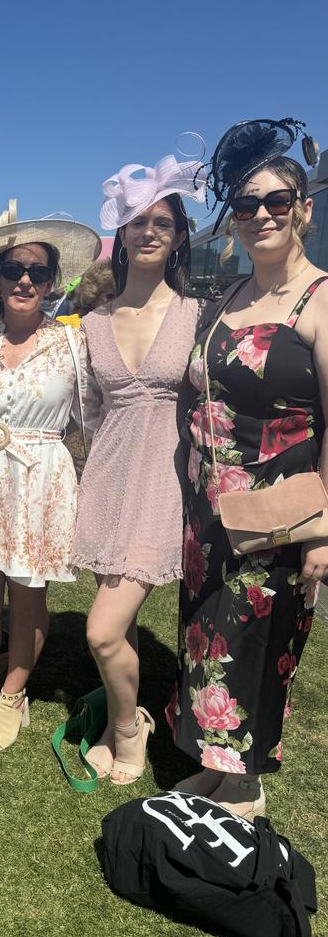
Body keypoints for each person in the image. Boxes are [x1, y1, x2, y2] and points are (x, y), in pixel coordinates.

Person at [170, 118, 327, 820]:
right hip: (209, 516)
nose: (261, 214)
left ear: (304, 210)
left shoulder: (320, 300)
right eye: (245, 204)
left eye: (277, 202)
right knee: (208, 637)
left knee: (255, 643)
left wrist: (325, 531)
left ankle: (246, 783)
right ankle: (216, 766)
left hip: (279, 520)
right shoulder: (227, 298)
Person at [0, 203, 101, 750]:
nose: (25, 280)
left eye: (38, 271)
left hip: (41, 482)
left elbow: (95, 419)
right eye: (14, 270)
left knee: (29, 598)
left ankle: (15, 692)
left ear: (53, 280)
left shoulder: (73, 344)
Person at [71, 154, 206, 784]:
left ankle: (130, 727)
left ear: (178, 234)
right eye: (136, 222)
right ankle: (116, 717)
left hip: (166, 487)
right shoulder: (94, 324)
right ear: (120, 235)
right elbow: (91, 412)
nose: (148, 232)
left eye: (161, 222)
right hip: (108, 481)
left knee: (102, 632)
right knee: (107, 626)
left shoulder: (197, 316)